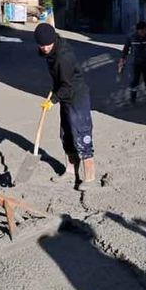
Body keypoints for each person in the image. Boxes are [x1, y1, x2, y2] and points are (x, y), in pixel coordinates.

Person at [34, 23, 95, 190]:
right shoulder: (51, 53)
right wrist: (55, 92)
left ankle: (89, 176)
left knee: (81, 134)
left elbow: (67, 86)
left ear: (54, 40)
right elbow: (60, 81)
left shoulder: (63, 57)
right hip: (65, 95)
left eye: (48, 45)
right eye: (41, 45)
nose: (45, 48)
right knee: (66, 134)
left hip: (77, 96)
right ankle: (70, 171)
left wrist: (52, 100)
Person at [118, 21, 146, 104]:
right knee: (134, 81)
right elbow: (125, 50)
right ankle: (133, 100)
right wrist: (122, 60)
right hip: (135, 63)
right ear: (139, 30)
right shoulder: (131, 37)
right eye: (145, 30)